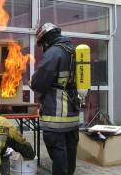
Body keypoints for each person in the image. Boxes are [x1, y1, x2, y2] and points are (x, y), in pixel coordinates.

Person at [30, 23, 80, 175]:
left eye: (42, 42)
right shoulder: (73, 50)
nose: (43, 46)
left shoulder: (54, 53)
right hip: (73, 116)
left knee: (58, 153)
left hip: (56, 116)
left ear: (47, 39)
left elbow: (39, 82)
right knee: (70, 153)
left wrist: (31, 82)